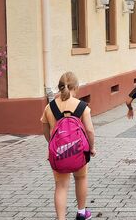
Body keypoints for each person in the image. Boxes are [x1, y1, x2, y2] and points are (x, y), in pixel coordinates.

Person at [41, 72, 96, 220]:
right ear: (76, 87)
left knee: (61, 185)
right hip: (79, 151)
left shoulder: (49, 107)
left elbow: (46, 131)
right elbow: (90, 130)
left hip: (59, 153)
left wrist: (52, 146)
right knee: (81, 178)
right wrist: (92, 147)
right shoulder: (82, 106)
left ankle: (61, 218)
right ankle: (81, 212)